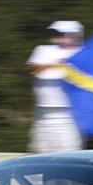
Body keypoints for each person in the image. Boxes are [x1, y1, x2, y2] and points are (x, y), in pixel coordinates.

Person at [26, 20, 85, 153]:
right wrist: (55, 64)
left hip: (72, 113)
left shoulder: (84, 53)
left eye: (60, 32)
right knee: (40, 151)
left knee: (70, 150)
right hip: (43, 111)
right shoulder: (43, 49)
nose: (56, 35)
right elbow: (33, 69)